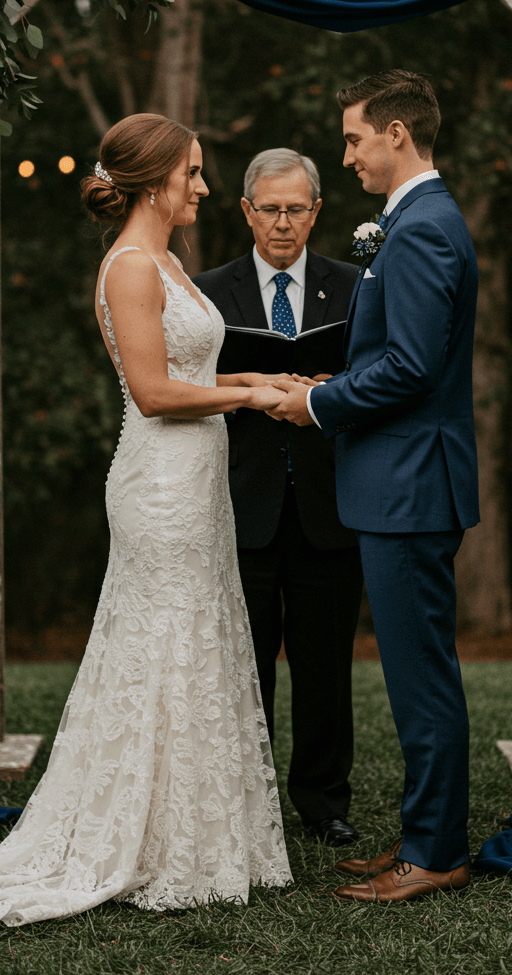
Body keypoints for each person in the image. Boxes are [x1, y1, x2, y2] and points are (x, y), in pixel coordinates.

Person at [0, 113, 292, 927]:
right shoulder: (129, 267)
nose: (203, 187)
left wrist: (268, 377)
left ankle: (192, 835)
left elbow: (195, 365)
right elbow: (153, 394)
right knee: (161, 643)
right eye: (193, 173)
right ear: (154, 182)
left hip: (199, 482)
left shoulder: (169, 259)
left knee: (197, 639)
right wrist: (253, 395)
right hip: (159, 484)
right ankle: (139, 838)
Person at [269, 70, 479, 903]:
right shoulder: (417, 220)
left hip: (410, 484)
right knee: (415, 673)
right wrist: (336, 382)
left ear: (397, 133)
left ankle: (434, 853)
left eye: (355, 139)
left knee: (422, 679)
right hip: (402, 480)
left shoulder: (423, 228)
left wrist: (316, 403)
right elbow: (398, 356)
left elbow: (414, 365)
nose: (348, 155)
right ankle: (425, 835)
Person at [195, 149, 362, 847]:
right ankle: (248, 801)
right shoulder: (208, 292)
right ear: (247, 211)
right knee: (244, 664)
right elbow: (188, 387)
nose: (283, 223)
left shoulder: (355, 286)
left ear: (316, 212)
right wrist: (251, 389)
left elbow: (379, 377)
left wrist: (332, 390)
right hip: (245, 499)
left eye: (296, 209)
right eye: (270, 209)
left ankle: (324, 803)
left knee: (326, 665)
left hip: (329, 500)